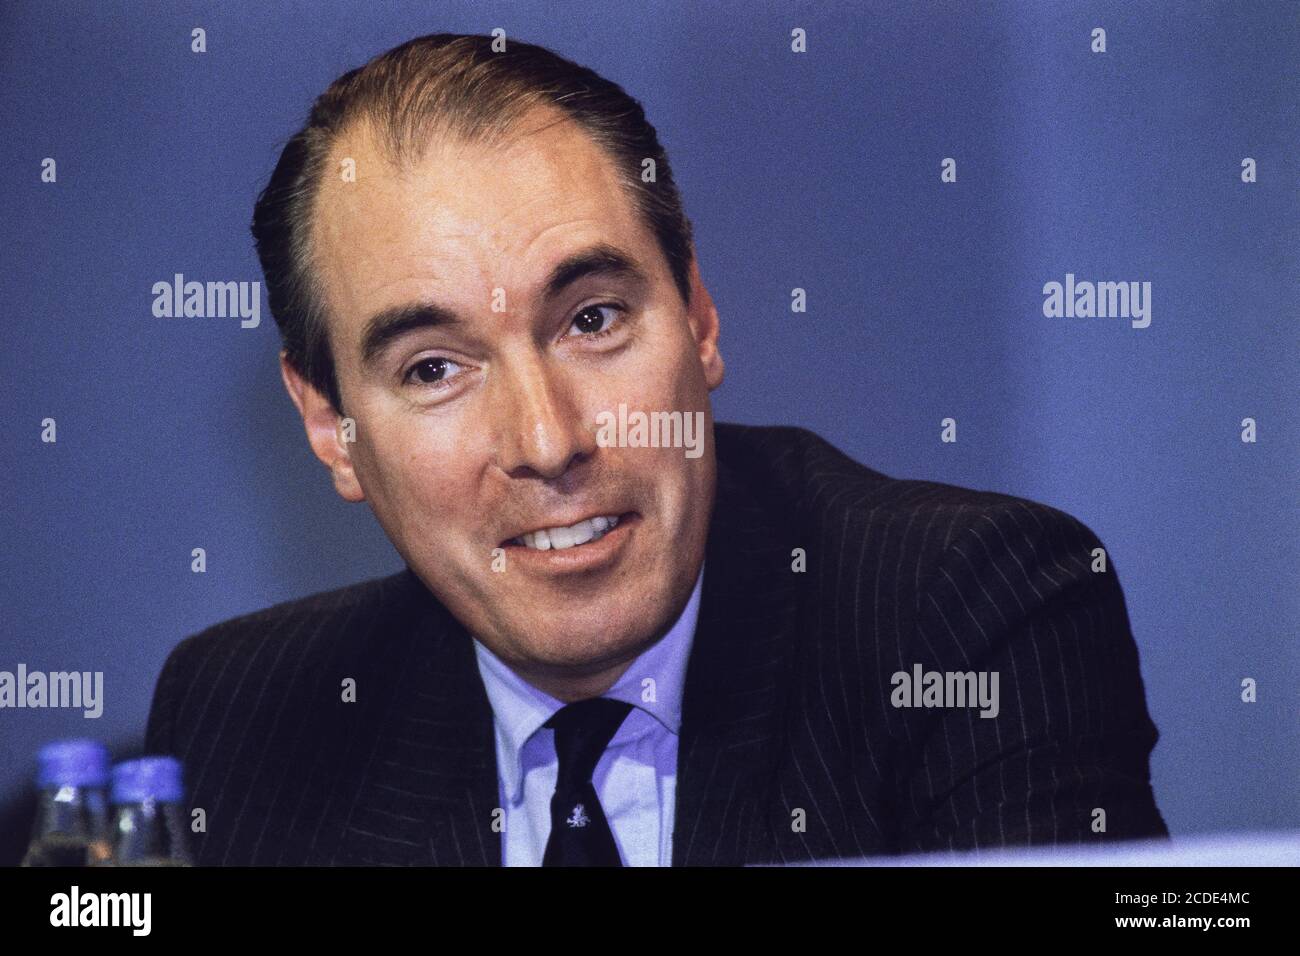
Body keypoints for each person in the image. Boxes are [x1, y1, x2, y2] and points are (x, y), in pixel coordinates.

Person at [144, 32, 1167, 866]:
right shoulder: (244, 713)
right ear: (332, 426)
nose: (547, 441)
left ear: (699, 315)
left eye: (592, 318)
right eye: (432, 369)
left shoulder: (965, 612)